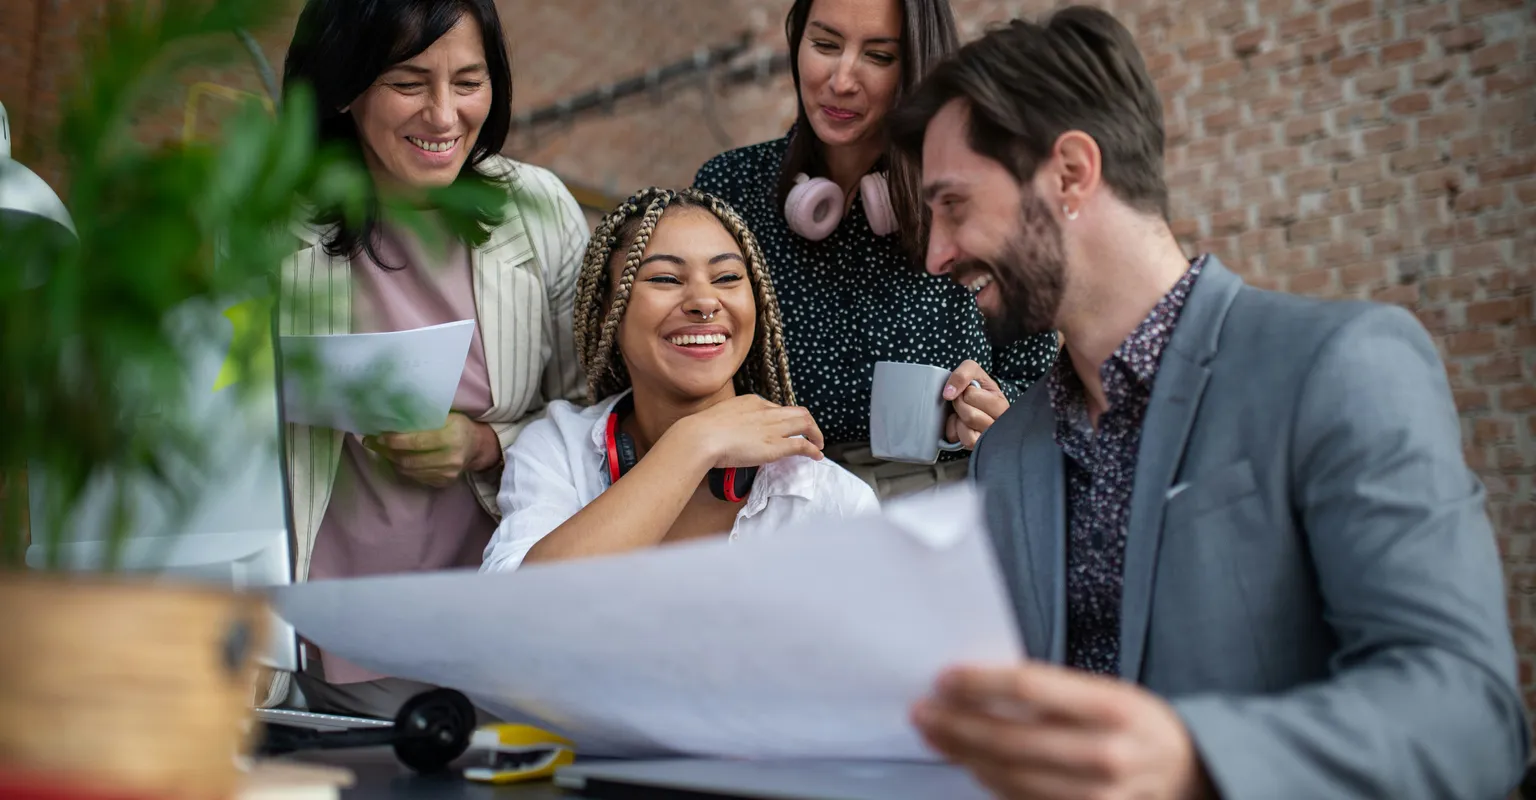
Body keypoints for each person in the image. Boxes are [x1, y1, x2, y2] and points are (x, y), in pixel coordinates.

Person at [887, 6, 1528, 799]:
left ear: (1071, 173)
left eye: (953, 205)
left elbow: (1471, 715)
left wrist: (1197, 757)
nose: (935, 254)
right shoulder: (1007, 454)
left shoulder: (1342, 366)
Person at [267, 0, 589, 717]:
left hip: (500, 640)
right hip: (329, 647)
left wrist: (484, 443)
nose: (444, 116)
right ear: (345, 86)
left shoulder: (536, 213)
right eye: (410, 84)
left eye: (468, 82)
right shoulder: (269, 226)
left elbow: (594, 419)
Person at [692, 0, 1058, 500]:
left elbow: (1047, 384)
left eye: (879, 56)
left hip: (943, 508)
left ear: (917, 68)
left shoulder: (979, 193)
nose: (841, 80)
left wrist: (999, 409)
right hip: (778, 511)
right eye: (824, 45)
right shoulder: (731, 188)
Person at [482, 187, 879, 572]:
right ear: (608, 312)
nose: (705, 302)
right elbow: (515, 607)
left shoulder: (831, 499)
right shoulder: (558, 452)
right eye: (665, 279)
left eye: (726, 277)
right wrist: (692, 445)